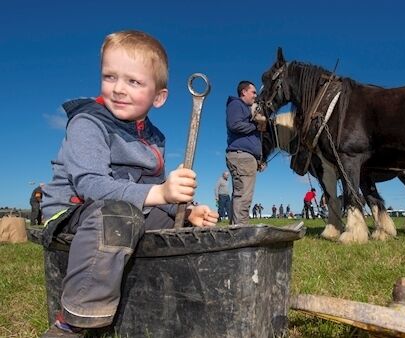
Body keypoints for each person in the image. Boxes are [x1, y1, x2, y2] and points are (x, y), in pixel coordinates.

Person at [40, 30, 218, 337]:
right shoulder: (88, 123)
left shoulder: (154, 138)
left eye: (133, 81)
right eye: (110, 77)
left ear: (158, 97)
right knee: (118, 217)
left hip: (125, 213)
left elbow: (149, 195)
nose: (119, 89)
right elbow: (91, 186)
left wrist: (184, 210)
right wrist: (161, 192)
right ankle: (74, 322)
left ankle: (174, 299)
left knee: (171, 223)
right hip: (74, 212)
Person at [225, 80, 266, 225]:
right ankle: (241, 231)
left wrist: (259, 159)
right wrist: (256, 125)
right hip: (242, 156)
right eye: (253, 92)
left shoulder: (245, 109)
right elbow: (235, 125)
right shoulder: (237, 104)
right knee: (244, 196)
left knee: (239, 194)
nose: (256, 95)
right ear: (244, 92)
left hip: (244, 156)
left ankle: (234, 230)